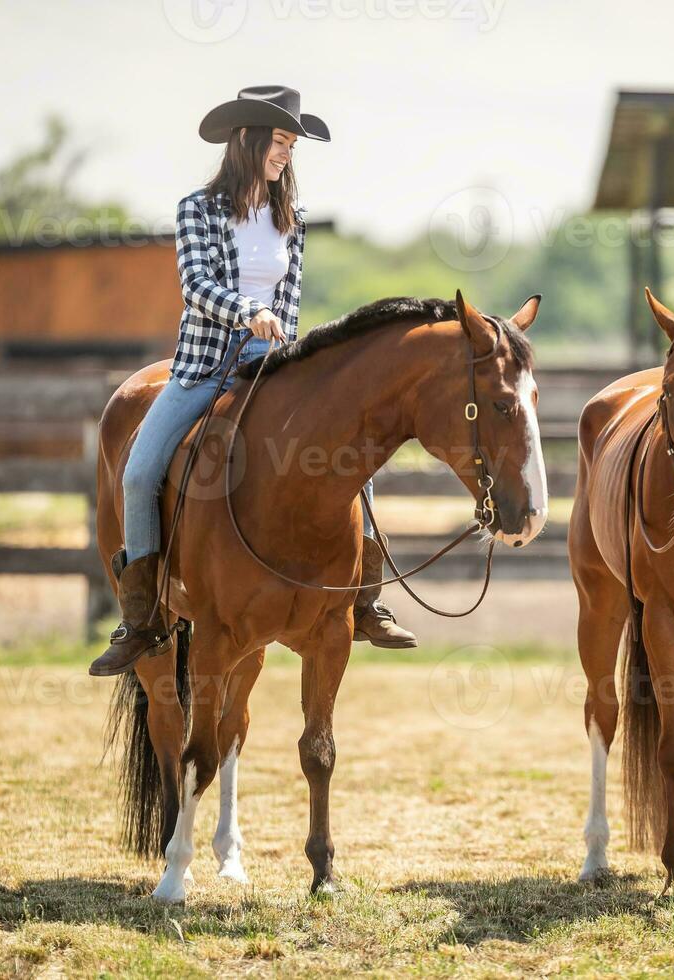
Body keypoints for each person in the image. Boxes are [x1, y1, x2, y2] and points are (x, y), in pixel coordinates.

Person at [89, 85, 415, 679]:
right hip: (204, 367)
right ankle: (141, 617)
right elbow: (196, 285)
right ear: (247, 140)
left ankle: (364, 600)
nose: (287, 153)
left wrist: (287, 346)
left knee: (354, 464)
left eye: (293, 143)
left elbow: (288, 301)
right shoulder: (198, 209)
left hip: (275, 369)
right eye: (280, 141)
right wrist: (246, 312)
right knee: (138, 472)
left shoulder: (294, 218)